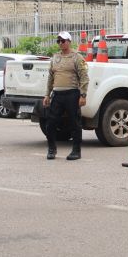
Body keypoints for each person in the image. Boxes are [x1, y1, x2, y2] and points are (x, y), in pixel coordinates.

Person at [41, 32, 88, 161]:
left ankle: (76, 151)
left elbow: (84, 77)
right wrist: (47, 95)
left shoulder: (77, 57)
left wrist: (83, 95)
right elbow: (50, 77)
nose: (61, 43)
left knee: (75, 123)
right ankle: (52, 149)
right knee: (50, 123)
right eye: (59, 41)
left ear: (69, 41)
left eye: (63, 41)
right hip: (57, 94)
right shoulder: (55, 58)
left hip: (72, 94)